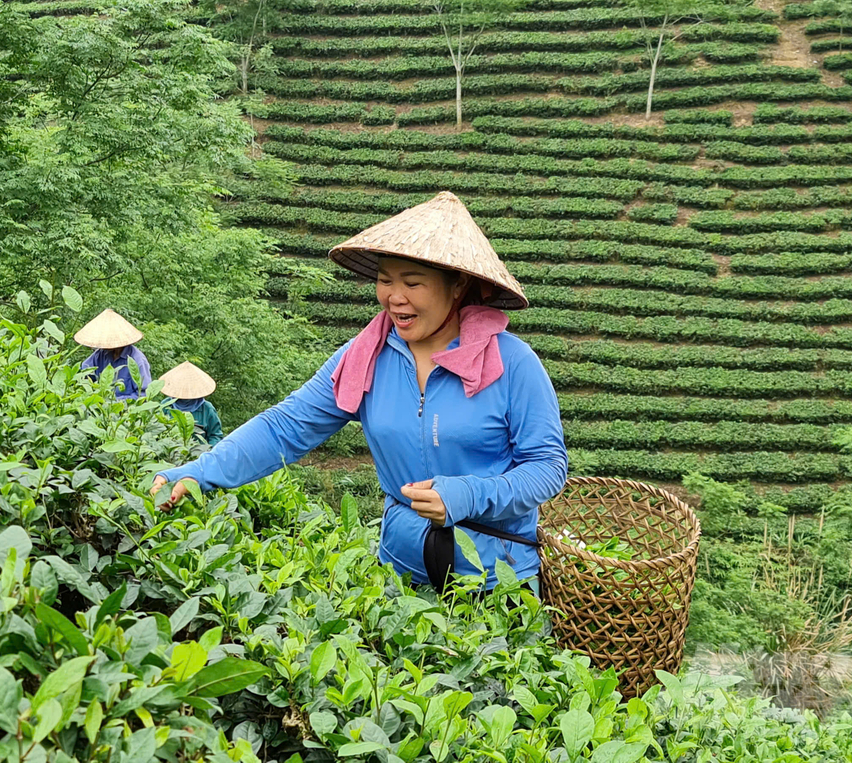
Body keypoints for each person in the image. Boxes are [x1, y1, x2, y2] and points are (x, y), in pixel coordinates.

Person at [150, 191, 567, 592]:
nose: (394, 297)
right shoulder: (365, 357)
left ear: (457, 285)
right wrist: (197, 473)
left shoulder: (512, 363)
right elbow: (285, 428)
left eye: (414, 283)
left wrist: (468, 495)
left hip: (497, 579)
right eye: (385, 280)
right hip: (400, 575)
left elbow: (547, 467)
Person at [74, 309, 152, 400]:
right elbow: (84, 372)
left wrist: (115, 402)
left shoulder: (137, 360)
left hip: (127, 410)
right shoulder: (100, 354)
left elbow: (143, 396)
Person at [159, 361, 224, 446]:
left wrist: (208, 451)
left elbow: (215, 436)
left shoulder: (207, 409)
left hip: (199, 454)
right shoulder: (165, 405)